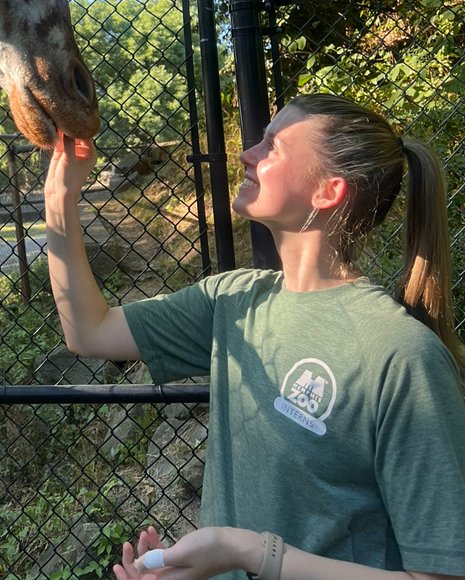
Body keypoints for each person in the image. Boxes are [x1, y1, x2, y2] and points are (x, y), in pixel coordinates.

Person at [43, 94, 465, 580]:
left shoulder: (401, 355)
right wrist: (59, 201)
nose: (247, 153)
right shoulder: (233, 301)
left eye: (272, 146)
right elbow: (90, 331)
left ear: (327, 191)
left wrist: (252, 553)